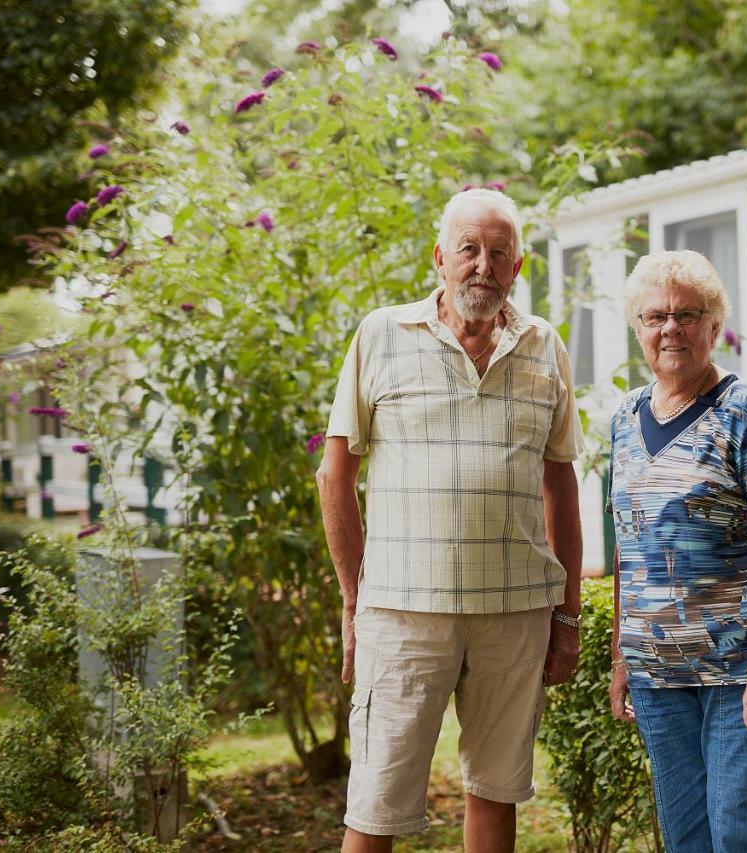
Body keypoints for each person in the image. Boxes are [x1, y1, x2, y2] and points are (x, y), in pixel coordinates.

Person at [316, 188, 584, 853]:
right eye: (469, 249)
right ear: (440, 257)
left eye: (500, 253)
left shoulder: (544, 347)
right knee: (376, 803)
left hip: (514, 614)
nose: (483, 266)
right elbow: (335, 475)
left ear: (518, 268)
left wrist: (569, 613)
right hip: (403, 612)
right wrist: (355, 597)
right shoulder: (382, 334)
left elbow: (561, 482)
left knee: (496, 791)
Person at [606, 250, 747, 852]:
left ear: (712, 323)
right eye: (655, 317)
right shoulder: (624, 418)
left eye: (687, 314)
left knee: (739, 835)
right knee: (687, 837)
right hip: (656, 674)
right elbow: (629, 544)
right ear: (638, 328)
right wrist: (623, 658)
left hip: (738, 669)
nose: (670, 328)